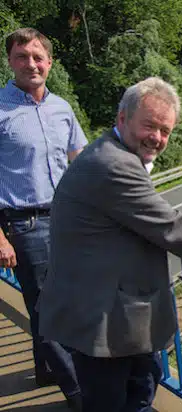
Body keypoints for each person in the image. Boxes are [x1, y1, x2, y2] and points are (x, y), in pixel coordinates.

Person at [38, 76, 182, 411]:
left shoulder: (111, 153)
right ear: (122, 119)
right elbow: (169, 224)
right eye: (150, 126)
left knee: (143, 386)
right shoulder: (112, 164)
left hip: (110, 314)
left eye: (165, 131)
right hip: (102, 325)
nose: (157, 138)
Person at [0, 28, 85, 410]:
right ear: (10, 61)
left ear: (49, 63)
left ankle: (46, 370)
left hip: (67, 220)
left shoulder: (62, 108)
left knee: (49, 304)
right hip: (25, 226)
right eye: (22, 56)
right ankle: (82, 396)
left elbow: (80, 161)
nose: (31, 64)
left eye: (38, 57)